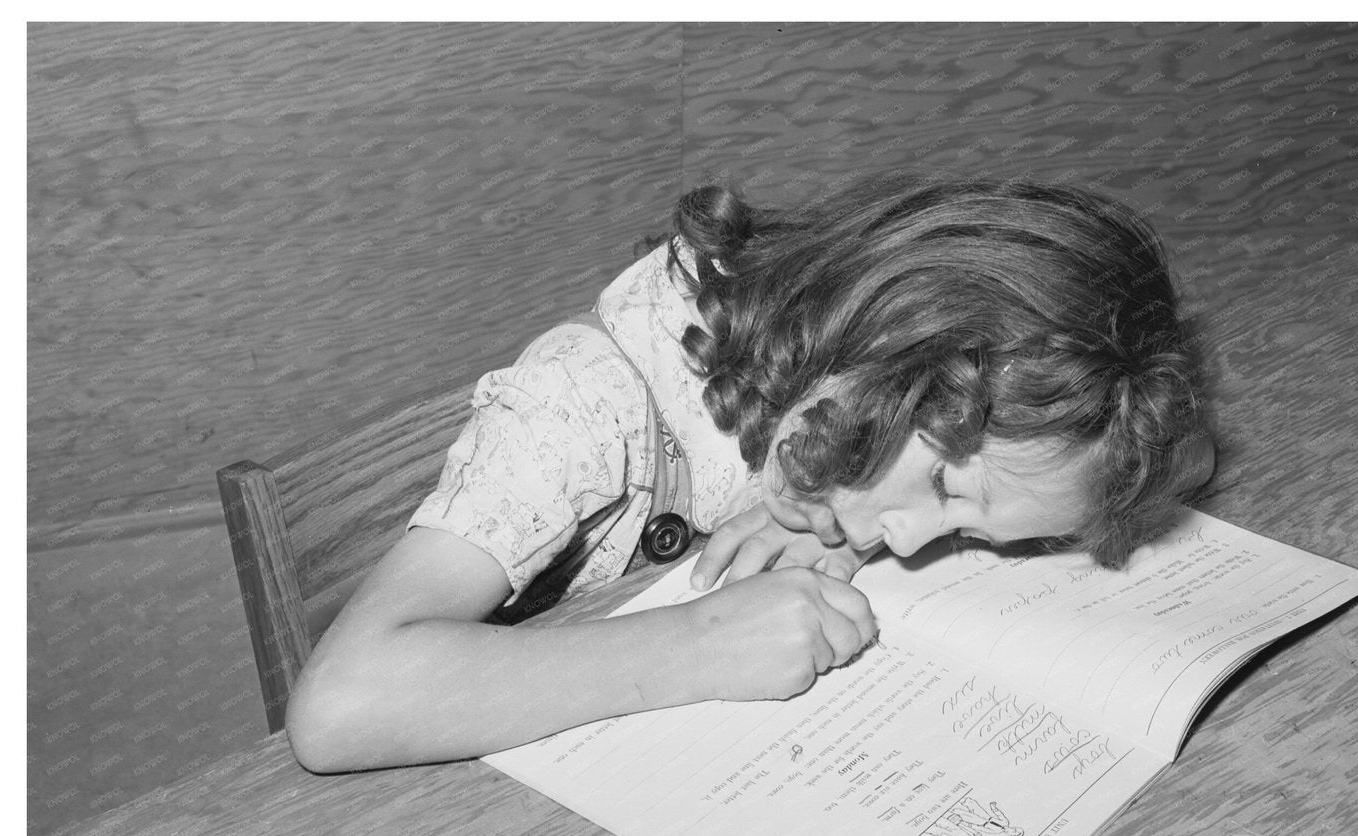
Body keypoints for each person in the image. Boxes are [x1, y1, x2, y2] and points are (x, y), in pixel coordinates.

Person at [285, 172, 1215, 774]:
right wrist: (694, 646)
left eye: (967, 532)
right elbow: (337, 707)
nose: (909, 546)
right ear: (893, 343)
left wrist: (814, 503)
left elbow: (1192, 456)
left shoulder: (847, 379)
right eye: (945, 492)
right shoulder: (579, 407)